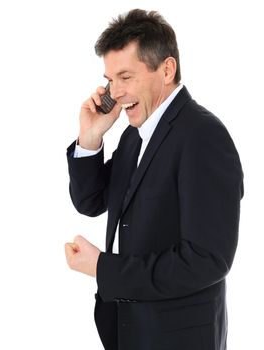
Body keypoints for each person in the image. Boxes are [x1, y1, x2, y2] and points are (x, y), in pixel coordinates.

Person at [65, 9, 243, 350]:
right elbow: (90, 201)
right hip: (132, 332)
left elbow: (208, 260)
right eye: (110, 79)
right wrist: (89, 139)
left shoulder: (203, 136)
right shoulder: (136, 133)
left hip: (179, 338)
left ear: (166, 69)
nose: (114, 92)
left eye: (126, 77)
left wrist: (104, 268)